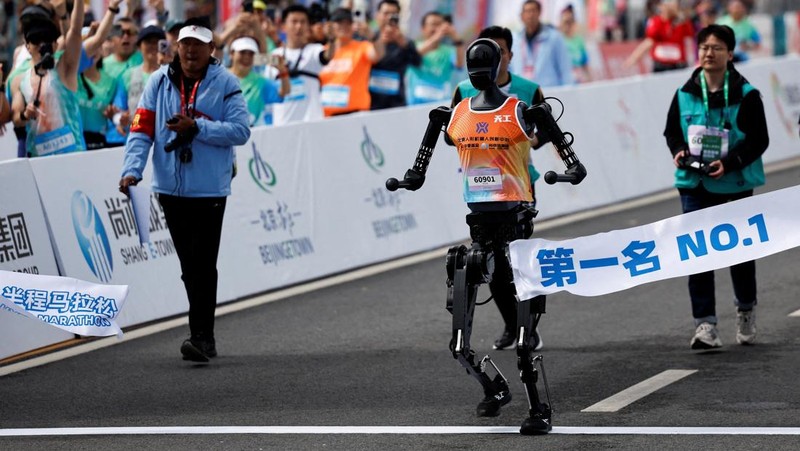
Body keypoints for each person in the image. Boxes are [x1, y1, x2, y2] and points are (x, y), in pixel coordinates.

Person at [118, 17, 251, 363]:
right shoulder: (158, 81)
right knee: (189, 264)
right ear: (177, 47)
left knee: (203, 263)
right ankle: (203, 335)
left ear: (211, 49)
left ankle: (201, 337)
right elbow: (141, 129)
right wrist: (132, 170)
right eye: (185, 43)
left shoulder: (226, 82)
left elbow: (240, 131)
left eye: (198, 44)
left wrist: (198, 128)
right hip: (169, 188)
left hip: (210, 190)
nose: (191, 50)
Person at [663, 24, 769, 349]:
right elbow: (671, 132)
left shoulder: (746, 95)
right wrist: (679, 151)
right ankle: (705, 324)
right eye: (704, 47)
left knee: (741, 253)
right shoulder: (684, 93)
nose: (709, 53)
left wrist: (731, 162)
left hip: (734, 182)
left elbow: (759, 140)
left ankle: (746, 309)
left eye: (717, 48)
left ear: (730, 54)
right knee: (698, 255)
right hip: (694, 183)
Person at [451, 25, 545, 352]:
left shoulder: (528, 91)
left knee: (515, 260)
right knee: (489, 264)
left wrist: (523, 139)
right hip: (480, 187)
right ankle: (512, 324)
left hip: (518, 182)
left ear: (509, 55)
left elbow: (545, 131)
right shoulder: (463, 90)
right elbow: (452, 132)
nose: (496, 57)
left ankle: (527, 324)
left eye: (501, 51)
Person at [11, 0, 86, 158]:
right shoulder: (19, 79)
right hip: (39, 158)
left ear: (55, 44)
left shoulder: (64, 68)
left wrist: (73, 7)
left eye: (47, 39)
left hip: (72, 154)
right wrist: (25, 114)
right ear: (27, 46)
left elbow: (75, 32)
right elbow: (16, 118)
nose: (41, 45)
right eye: (35, 40)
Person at [272, 4, 329, 126]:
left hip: (312, 124)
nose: (299, 26)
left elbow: (327, 56)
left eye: (303, 22)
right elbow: (248, 61)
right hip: (281, 126)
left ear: (308, 27)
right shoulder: (274, 55)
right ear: (283, 26)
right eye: (294, 22)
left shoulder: (315, 50)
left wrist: (332, 39)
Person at [319, 8, 382, 116]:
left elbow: (379, 54)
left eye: (348, 23)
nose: (344, 27)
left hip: (355, 113)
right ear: (331, 25)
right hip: (327, 115)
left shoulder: (362, 47)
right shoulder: (323, 52)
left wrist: (372, 36)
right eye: (339, 22)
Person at [110, 24, 167, 143]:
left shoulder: (172, 74)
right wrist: (121, 120)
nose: (153, 46)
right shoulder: (128, 75)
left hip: (164, 138)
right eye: (148, 42)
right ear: (139, 47)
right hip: (137, 138)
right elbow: (118, 110)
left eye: (157, 42)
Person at [367, 0, 421, 110]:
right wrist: (378, 42)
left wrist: (403, 44)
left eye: (393, 14)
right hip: (370, 103)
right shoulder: (368, 38)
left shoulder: (405, 41)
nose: (389, 18)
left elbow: (417, 62)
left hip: (395, 104)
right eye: (386, 13)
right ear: (377, 15)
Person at [510, 0, 574, 88]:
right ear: (522, 15)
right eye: (527, 11)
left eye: (533, 11)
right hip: (522, 92)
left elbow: (565, 69)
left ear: (539, 13)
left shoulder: (554, 37)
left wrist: (569, 91)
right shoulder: (515, 40)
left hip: (549, 91)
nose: (530, 15)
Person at [405, 11, 465, 105]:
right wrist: (437, 37)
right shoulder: (414, 46)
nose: (438, 28)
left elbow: (459, 64)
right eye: (433, 24)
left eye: (440, 24)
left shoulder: (449, 51)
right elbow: (413, 55)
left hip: (440, 105)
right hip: (414, 105)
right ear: (423, 28)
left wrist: (456, 38)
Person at [228, 36, 288, 126]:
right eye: (242, 52)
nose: (246, 57)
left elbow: (283, 93)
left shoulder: (260, 81)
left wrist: (283, 71)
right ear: (232, 54)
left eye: (251, 54)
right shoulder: (219, 77)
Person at [624, 0, 695, 72]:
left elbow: (690, 40)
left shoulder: (683, 22)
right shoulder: (656, 22)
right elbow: (649, 42)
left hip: (678, 66)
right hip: (660, 66)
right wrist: (633, 58)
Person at [559, 5, 591, 83]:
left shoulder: (579, 40)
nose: (567, 25)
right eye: (565, 22)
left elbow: (584, 62)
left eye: (570, 22)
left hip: (578, 79)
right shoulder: (558, 40)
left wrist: (589, 79)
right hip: (563, 80)